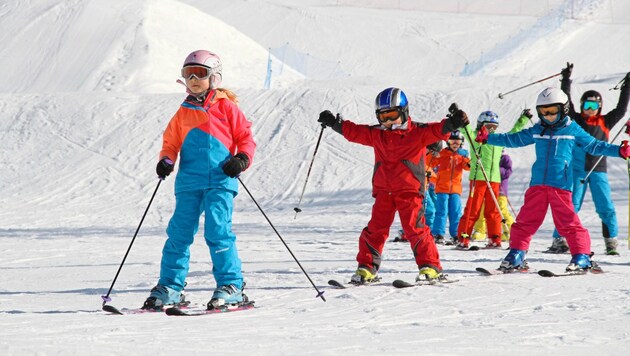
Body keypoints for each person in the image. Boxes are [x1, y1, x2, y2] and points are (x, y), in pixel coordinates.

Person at [317, 87, 469, 283]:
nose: (388, 121)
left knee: (415, 229)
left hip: (409, 191)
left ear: (404, 112)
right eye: (383, 117)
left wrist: (453, 123)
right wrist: (334, 123)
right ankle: (367, 267)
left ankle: (430, 266)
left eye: (392, 115)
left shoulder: (418, 132)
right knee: (375, 230)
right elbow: (355, 132)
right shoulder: (377, 134)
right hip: (384, 192)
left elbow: (437, 130)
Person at [143, 50, 256, 310]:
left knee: (218, 231)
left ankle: (232, 286)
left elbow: (246, 139)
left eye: (200, 74)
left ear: (214, 77)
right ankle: (170, 287)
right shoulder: (182, 113)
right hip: (189, 183)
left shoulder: (227, 107)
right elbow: (171, 142)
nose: (193, 79)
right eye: (188, 74)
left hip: (220, 179)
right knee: (179, 234)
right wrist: (166, 160)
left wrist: (241, 159)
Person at [475, 87, 630, 272]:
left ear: (563, 109)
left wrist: (618, 151)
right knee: (525, 221)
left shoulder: (572, 129)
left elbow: (594, 145)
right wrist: (489, 139)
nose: (548, 116)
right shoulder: (538, 129)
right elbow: (513, 139)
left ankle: (581, 256)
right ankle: (516, 254)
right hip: (538, 185)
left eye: (552, 111)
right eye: (543, 112)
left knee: (568, 223)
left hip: (560, 185)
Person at [548, 63, 630, 255]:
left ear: (599, 107)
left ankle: (611, 244)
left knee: (606, 207)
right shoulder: (576, 120)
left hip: (599, 171)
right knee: (570, 205)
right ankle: (559, 241)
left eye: (594, 105)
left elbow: (621, 108)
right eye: (587, 105)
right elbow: (565, 103)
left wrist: (627, 86)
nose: (590, 109)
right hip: (577, 171)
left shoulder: (606, 121)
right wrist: (566, 80)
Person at [456, 110, 529, 249]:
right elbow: (465, 129)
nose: (491, 130)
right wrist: (461, 119)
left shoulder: (498, 140)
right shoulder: (475, 138)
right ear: (480, 125)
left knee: (493, 211)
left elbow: (512, 134)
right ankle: (463, 238)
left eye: (494, 127)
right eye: (488, 126)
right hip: (478, 179)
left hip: (494, 180)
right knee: (473, 209)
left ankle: (495, 238)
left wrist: (523, 119)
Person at [393, 141, 442, 243]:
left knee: (427, 211)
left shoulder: (429, 157)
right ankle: (412, 232)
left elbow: (431, 172)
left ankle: (425, 232)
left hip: (424, 188)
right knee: (425, 211)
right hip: (415, 188)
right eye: (433, 151)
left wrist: (432, 175)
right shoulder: (418, 153)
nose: (434, 154)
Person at [430, 130, 470, 244]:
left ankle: (456, 234)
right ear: (448, 142)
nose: (455, 144)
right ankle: (438, 234)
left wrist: (466, 158)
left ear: (461, 143)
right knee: (441, 211)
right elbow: (431, 163)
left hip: (456, 189)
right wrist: (432, 155)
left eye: (457, 141)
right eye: (452, 141)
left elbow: (468, 167)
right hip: (442, 188)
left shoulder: (461, 155)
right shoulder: (442, 154)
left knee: (456, 212)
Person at [471, 148, 515, 242]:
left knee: (502, 210)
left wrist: (495, 169)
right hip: (486, 189)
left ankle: (510, 230)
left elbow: (508, 172)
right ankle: (480, 230)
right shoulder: (486, 158)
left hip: (500, 190)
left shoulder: (505, 158)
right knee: (482, 209)